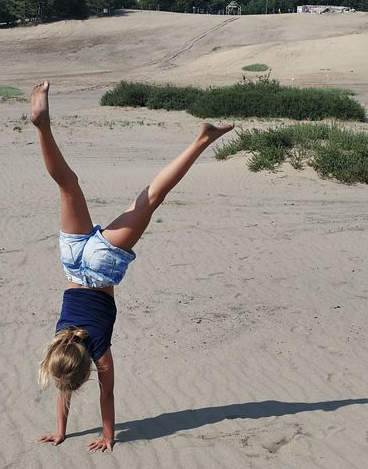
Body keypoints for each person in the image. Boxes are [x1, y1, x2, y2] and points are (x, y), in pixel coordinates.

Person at [32, 81, 233, 452]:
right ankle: (43, 127)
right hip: (73, 263)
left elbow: (103, 396)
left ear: (86, 370)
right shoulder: (60, 340)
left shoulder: (100, 354)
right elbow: (61, 380)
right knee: (68, 185)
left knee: (153, 196)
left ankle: (202, 141)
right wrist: (60, 429)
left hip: (102, 267)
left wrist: (107, 436)